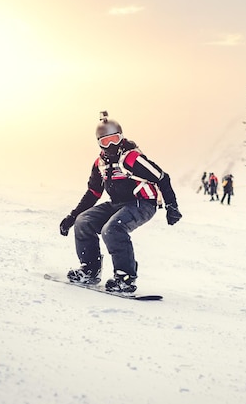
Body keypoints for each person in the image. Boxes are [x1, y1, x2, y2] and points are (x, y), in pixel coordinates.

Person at [59, 113, 182, 293]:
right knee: (83, 221)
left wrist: (172, 206)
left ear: (122, 137)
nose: (111, 146)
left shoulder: (132, 158)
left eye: (115, 139)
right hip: (117, 204)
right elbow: (93, 193)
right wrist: (72, 217)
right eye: (105, 142)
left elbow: (162, 177)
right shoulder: (100, 163)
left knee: (113, 229)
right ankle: (90, 270)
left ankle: (125, 278)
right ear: (99, 143)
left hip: (143, 203)